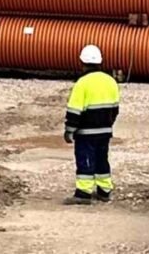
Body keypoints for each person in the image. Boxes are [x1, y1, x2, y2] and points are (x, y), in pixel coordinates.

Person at [63, 45, 120, 205]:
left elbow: (74, 110)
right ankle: (104, 190)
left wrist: (69, 130)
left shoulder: (82, 83)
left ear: (82, 62)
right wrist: (109, 124)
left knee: (85, 158)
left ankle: (83, 193)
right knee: (102, 159)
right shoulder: (111, 81)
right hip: (105, 130)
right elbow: (115, 109)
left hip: (86, 132)